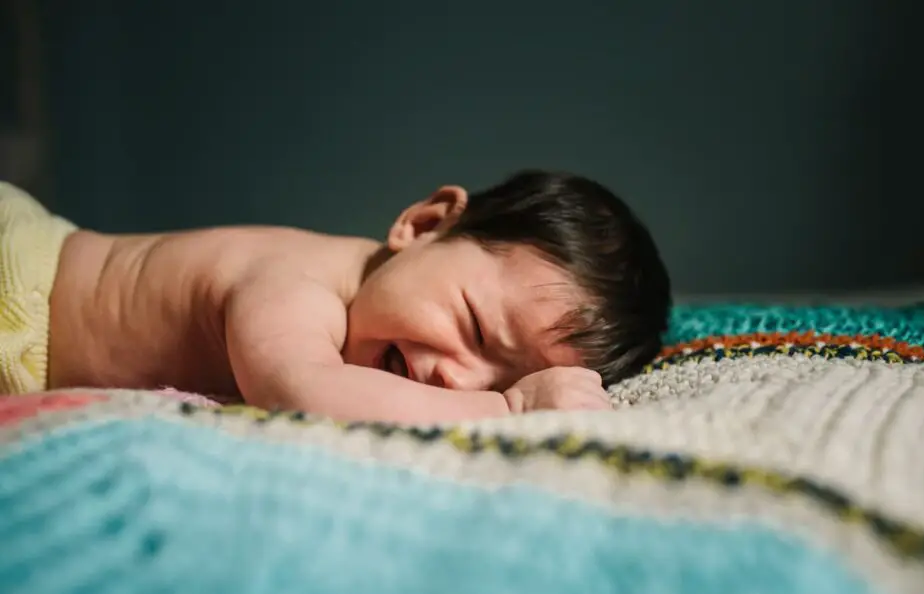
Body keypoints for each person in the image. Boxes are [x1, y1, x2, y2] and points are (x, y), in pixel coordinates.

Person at [0, 171, 671, 423]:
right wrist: (507, 405)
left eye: (503, 374)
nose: (455, 378)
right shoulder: (296, 282)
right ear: (427, 224)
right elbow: (300, 389)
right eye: (471, 326)